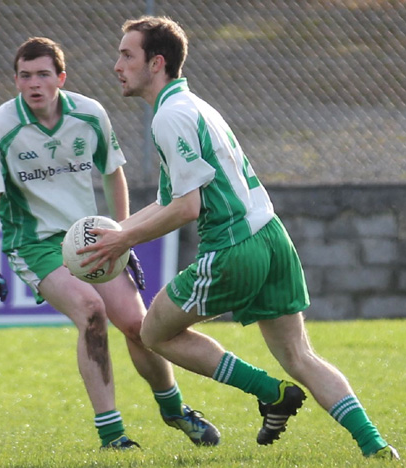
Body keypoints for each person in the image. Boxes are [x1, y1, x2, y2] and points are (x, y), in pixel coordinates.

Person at [79, 16, 400, 460]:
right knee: (300, 355)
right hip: (271, 237)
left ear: (156, 63)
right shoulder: (193, 105)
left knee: (153, 332)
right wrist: (121, 231)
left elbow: (186, 209)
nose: (116, 65)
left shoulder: (170, 118)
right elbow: (171, 198)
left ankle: (269, 392)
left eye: (126, 55)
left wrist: (123, 241)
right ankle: (375, 445)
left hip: (234, 248)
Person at [0, 36, 220, 450]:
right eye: (25, 75)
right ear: (15, 80)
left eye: (43, 74)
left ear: (61, 78)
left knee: (139, 326)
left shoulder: (89, 114)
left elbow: (112, 173)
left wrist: (121, 237)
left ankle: (174, 409)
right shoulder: (0, 128)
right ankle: (112, 435)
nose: (34, 83)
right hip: (35, 244)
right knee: (91, 311)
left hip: (88, 236)